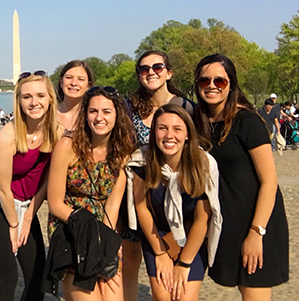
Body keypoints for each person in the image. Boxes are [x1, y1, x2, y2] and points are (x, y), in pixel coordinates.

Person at [194, 54, 289, 300]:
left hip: (257, 220)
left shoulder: (246, 121)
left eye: (219, 81)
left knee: (254, 293)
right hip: (225, 221)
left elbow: (269, 181)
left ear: (231, 84)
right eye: (204, 81)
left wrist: (257, 232)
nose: (211, 86)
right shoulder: (199, 122)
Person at [0, 71, 59, 301]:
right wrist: (14, 224)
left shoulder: (56, 132)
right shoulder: (9, 135)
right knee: (8, 276)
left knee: (38, 273)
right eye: (27, 97)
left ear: (50, 99)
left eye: (40, 95)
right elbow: (4, 187)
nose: (34, 102)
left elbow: (49, 180)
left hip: (27, 204)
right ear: (18, 101)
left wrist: (28, 218)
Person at [47, 86, 134, 300]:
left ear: (117, 115)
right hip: (72, 229)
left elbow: (112, 205)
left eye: (106, 111)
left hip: (104, 231)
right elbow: (55, 203)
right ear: (85, 115)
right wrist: (87, 231)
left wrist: (107, 244)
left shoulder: (122, 152)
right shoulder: (67, 146)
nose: (99, 117)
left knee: (112, 294)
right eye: (93, 111)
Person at [122, 50, 194, 301]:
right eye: (144, 68)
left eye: (157, 66)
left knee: (172, 273)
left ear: (168, 72)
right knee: (129, 260)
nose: (151, 72)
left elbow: (197, 152)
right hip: (139, 193)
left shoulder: (186, 107)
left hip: (178, 199)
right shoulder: (129, 107)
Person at [133, 104, 221, 301]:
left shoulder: (203, 164)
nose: (169, 135)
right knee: (163, 296)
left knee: (184, 296)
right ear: (154, 131)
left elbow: (202, 219)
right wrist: (160, 253)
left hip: (191, 235)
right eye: (162, 128)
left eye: (177, 129)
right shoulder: (142, 161)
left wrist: (184, 264)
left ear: (188, 134)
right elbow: (141, 207)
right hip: (157, 234)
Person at [56, 60, 95, 134]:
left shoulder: (93, 116)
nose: (74, 83)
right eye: (69, 77)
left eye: (81, 79)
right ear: (61, 82)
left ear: (88, 86)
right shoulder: (49, 113)